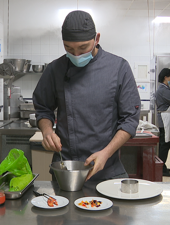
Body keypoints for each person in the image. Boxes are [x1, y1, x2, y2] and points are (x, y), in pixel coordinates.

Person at [33, 10, 140, 181]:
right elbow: (43, 108)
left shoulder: (118, 68)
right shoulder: (55, 69)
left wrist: (106, 153)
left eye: (83, 48)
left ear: (97, 39)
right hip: (66, 168)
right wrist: (46, 131)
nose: (76, 55)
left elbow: (130, 119)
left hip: (107, 168)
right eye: (69, 48)